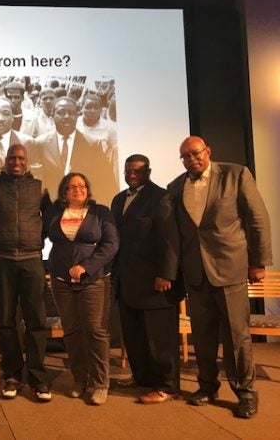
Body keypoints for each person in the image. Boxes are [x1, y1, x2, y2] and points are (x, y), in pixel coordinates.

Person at [167, 136, 272, 418]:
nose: (191, 159)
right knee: (202, 336)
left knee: (237, 337)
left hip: (230, 267)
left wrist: (258, 262)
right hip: (196, 272)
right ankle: (208, 386)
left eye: (195, 153)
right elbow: (178, 233)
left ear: (207, 151)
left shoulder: (236, 174)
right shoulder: (176, 186)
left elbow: (258, 218)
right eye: (185, 156)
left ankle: (246, 393)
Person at [0, 144, 53, 402]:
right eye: (12, 157)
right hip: (2, 260)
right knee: (6, 321)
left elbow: (49, 221)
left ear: (27, 161)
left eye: (21, 158)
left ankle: (38, 380)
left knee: (36, 321)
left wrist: (36, 239)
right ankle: (12, 376)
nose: (16, 161)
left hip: (33, 260)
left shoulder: (40, 187)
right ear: (6, 159)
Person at [110, 155, 182, 404]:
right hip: (127, 281)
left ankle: (168, 386)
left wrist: (166, 274)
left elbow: (169, 239)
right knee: (135, 336)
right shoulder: (119, 199)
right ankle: (142, 377)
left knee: (160, 338)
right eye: (128, 170)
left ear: (148, 172)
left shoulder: (160, 197)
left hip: (155, 282)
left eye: (137, 171)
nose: (131, 175)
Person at [44, 173, 119, 405]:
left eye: (82, 185)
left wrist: (85, 267)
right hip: (60, 279)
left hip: (94, 279)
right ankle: (80, 379)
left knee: (95, 331)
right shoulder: (55, 213)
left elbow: (111, 244)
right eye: (72, 186)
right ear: (64, 191)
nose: (78, 189)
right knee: (72, 330)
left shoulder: (101, 212)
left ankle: (100, 383)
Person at [34, 97, 118, 203]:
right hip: (51, 210)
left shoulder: (92, 144)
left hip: (83, 209)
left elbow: (105, 181)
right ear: (52, 116)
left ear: (77, 115)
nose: (66, 116)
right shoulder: (40, 144)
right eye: (61, 112)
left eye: (71, 113)